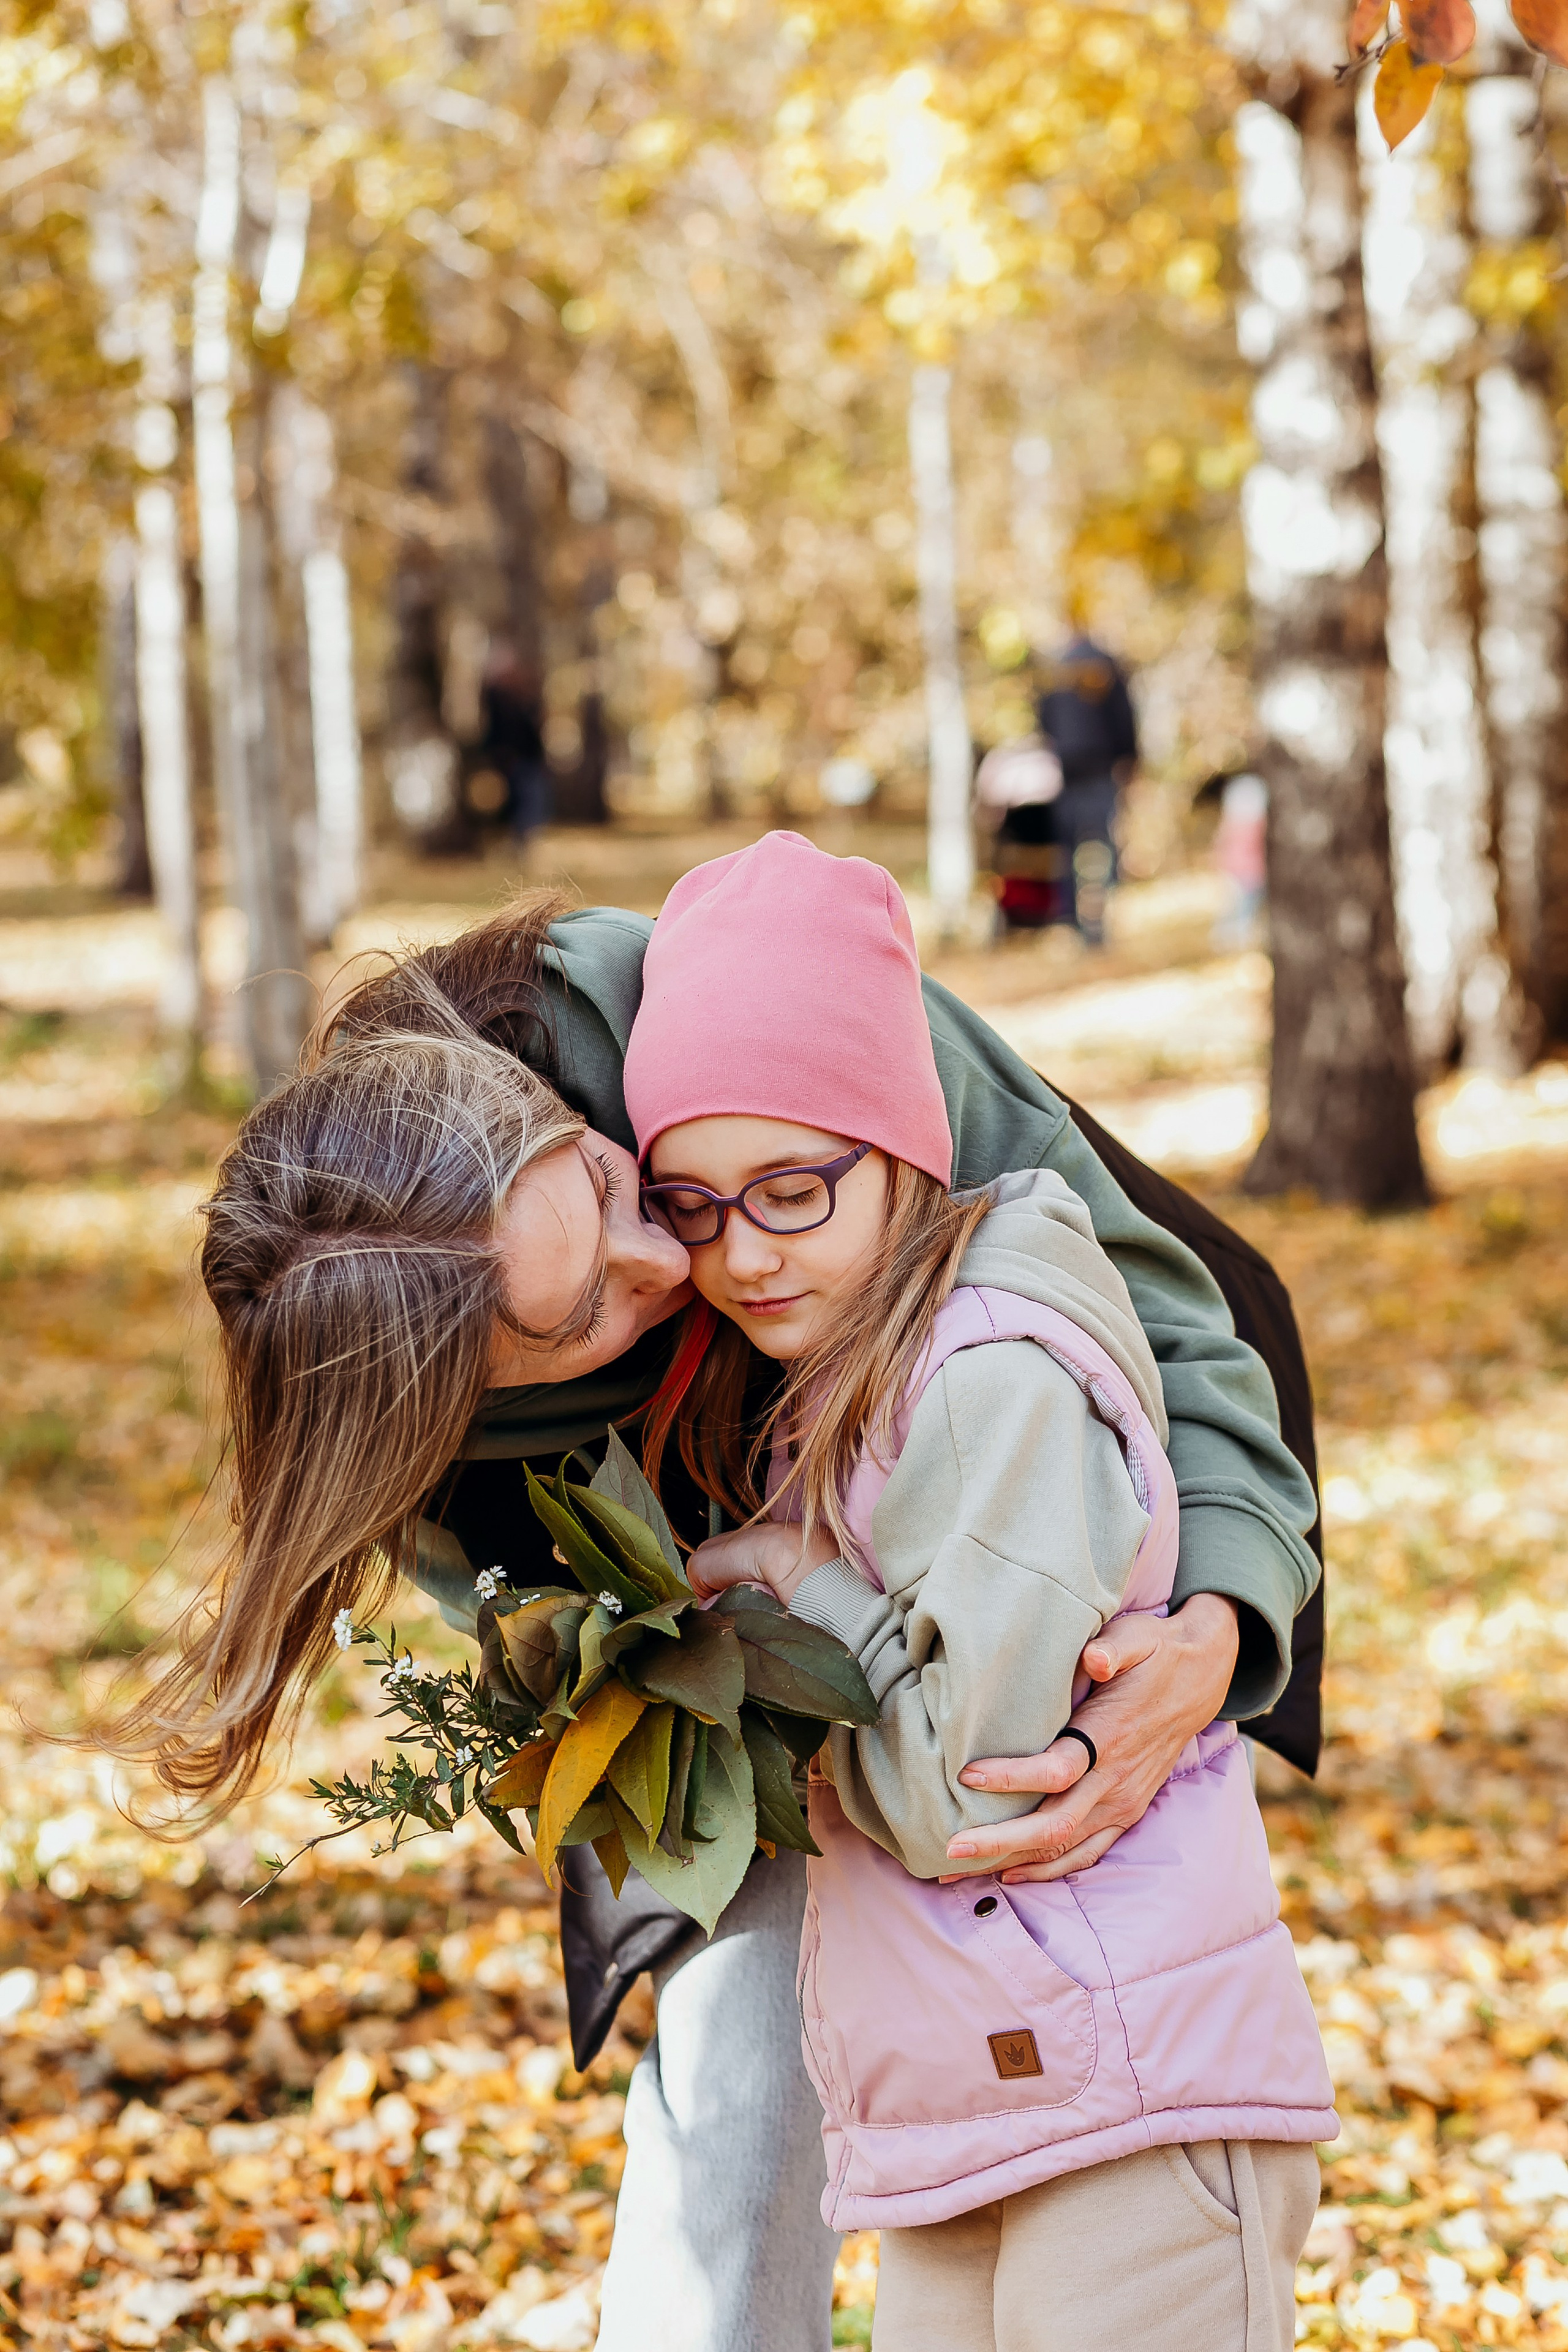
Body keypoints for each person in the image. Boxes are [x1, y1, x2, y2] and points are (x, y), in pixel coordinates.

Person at [102, 859, 1321, 2352]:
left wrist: (1215, 1619)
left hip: (1050, 1495)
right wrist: (713, 1687)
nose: (676, 1257)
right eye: (581, 1314)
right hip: (754, 1604)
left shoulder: (738, 1022)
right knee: (744, 2051)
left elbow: (1148, 1320)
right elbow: (640, 1704)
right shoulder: (426, 1449)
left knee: (1067, 1985)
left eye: (619, 1189)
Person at [621, 831, 1333, 2350]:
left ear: (901, 1148)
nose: (737, 1252)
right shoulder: (842, 1382)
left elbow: (965, 1795)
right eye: (688, 1203)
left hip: (1126, 2099)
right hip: (982, 2097)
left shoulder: (990, 1376)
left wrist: (811, 1598)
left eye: (789, 1189)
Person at [1035, 619, 1138, 945]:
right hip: (1100, 772)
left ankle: (1074, 921)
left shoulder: (1056, 671)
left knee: (1070, 853)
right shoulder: (1107, 667)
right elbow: (1125, 720)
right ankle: (1099, 921)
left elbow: (1044, 720)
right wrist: (1130, 759)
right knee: (1102, 850)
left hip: (1068, 775)